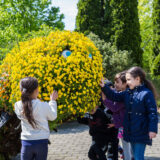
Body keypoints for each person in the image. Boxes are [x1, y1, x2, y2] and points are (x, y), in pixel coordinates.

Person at [100, 67, 158, 160]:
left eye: (129, 79)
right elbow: (114, 96)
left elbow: (152, 113)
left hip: (141, 131)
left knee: (138, 157)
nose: (127, 82)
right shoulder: (127, 92)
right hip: (130, 131)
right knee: (134, 156)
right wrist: (104, 87)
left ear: (137, 79)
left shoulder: (147, 94)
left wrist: (153, 129)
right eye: (126, 80)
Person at [14, 77, 58, 160]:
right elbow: (53, 116)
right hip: (41, 142)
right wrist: (52, 101)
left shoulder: (17, 105)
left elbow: (29, 107)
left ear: (21, 91)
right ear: (36, 90)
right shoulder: (42, 105)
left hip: (26, 142)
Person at [102, 72, 134, 160]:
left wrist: (105, 99)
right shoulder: (122, 92)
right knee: (129, 148)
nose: (115, 84)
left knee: (127, 149)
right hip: (125, 126)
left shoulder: (124, 96)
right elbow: (113, 92)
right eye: (115, 82)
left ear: (124, 84)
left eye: (117, 82)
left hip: (126, 127)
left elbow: (115, 108)